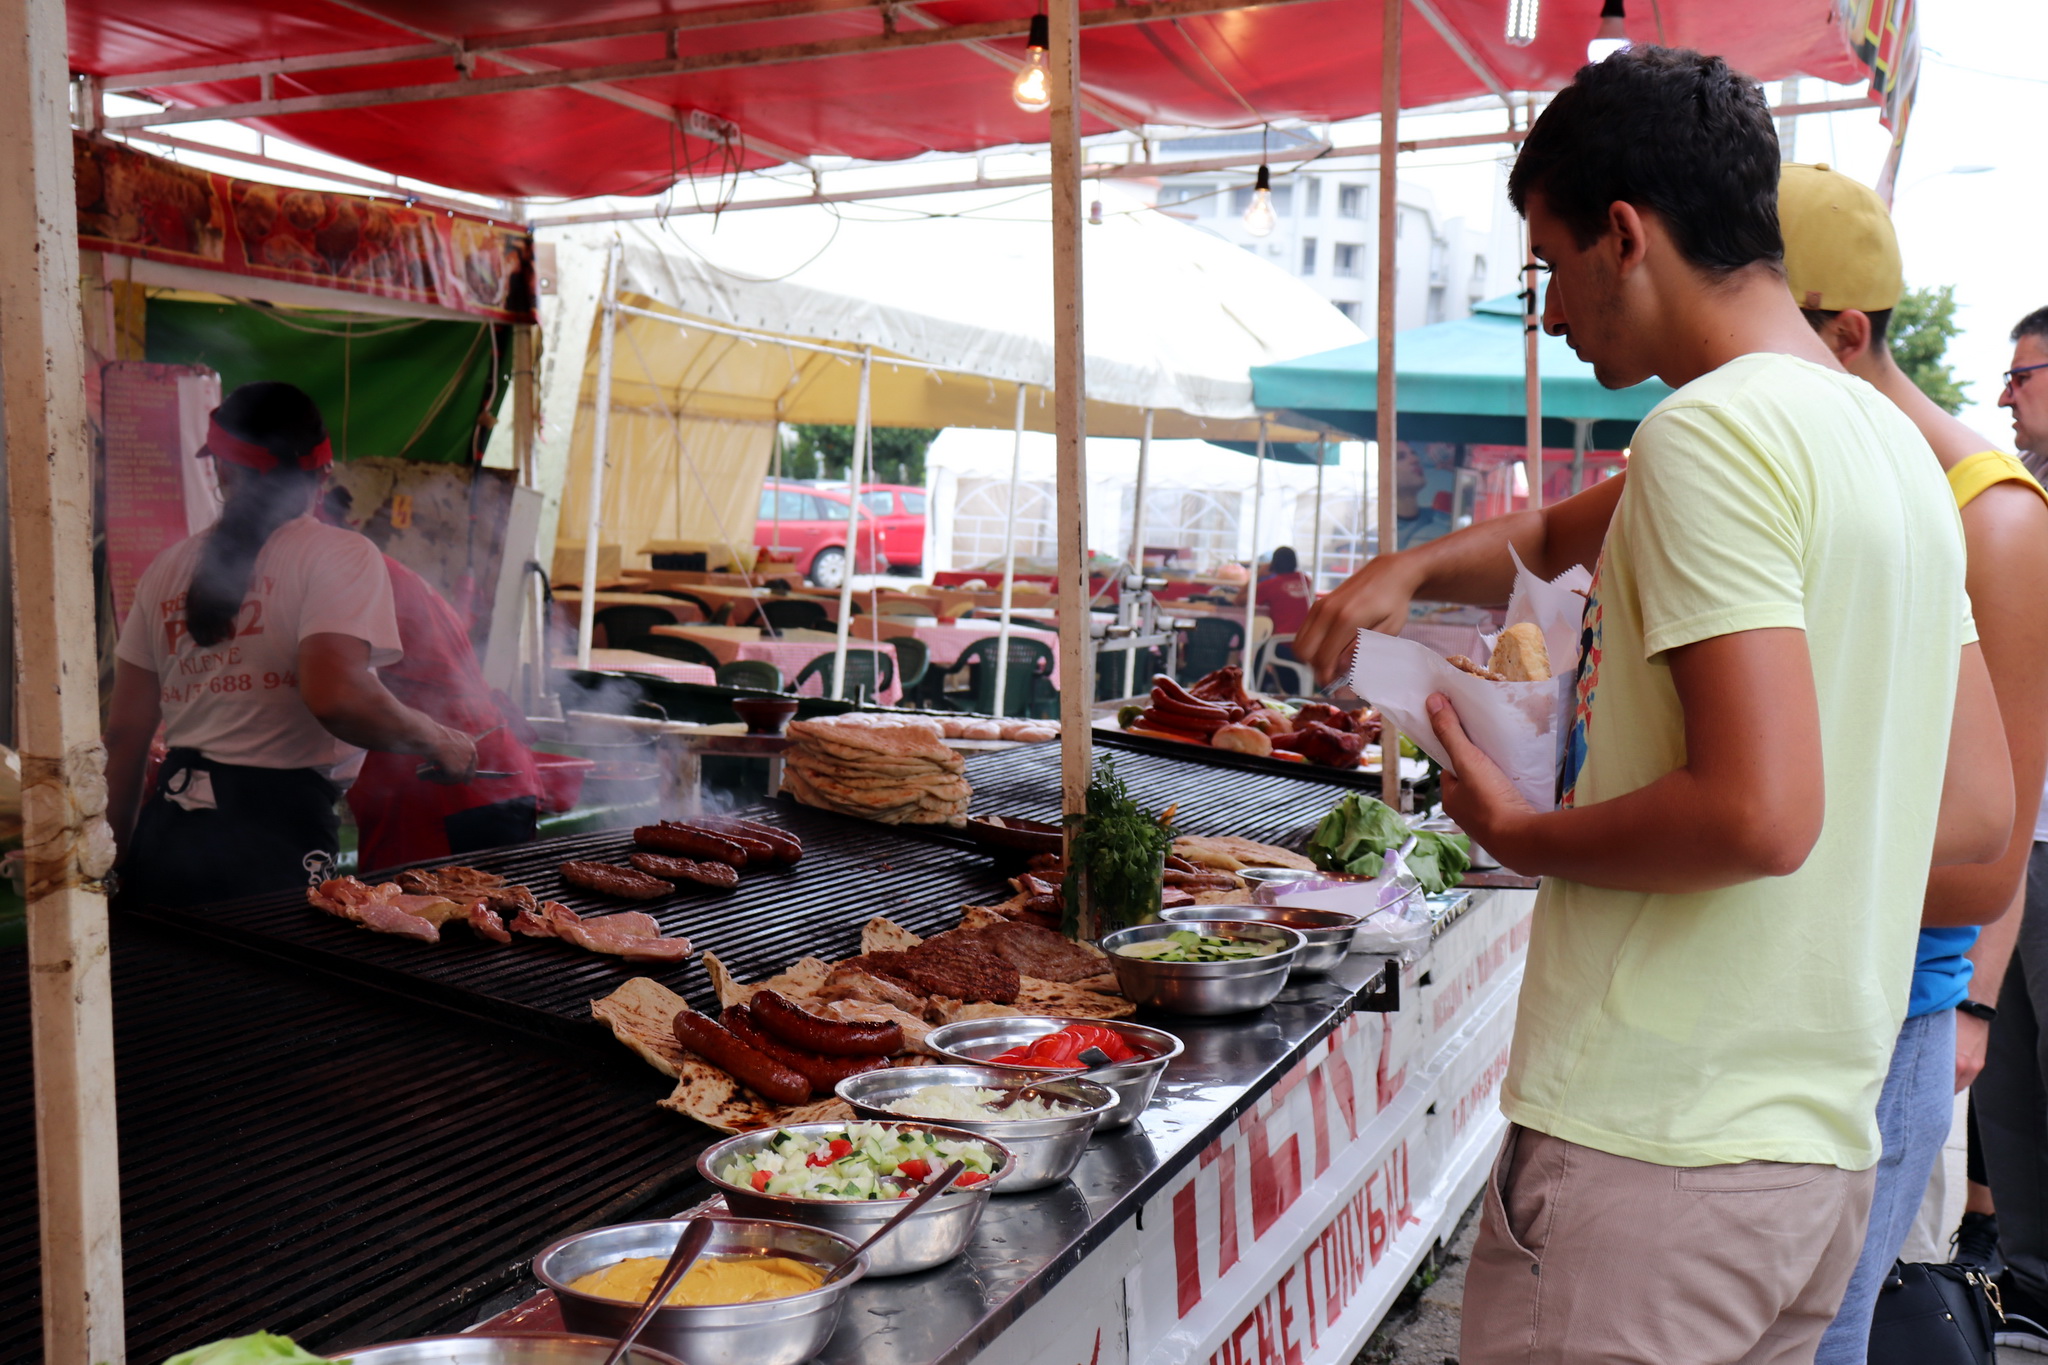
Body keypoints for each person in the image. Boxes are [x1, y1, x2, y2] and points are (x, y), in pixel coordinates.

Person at [1296, 48, 2012, 1364]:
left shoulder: (1708, 437)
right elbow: (1977, 824)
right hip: (1814, 1163)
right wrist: (1412, 567)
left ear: (1626, 237)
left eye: (1548, 266)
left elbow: (1755, 812)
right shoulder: (1902, 458)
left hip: (1651, 1156)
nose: (1551, 316)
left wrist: (1519, 826)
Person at [1778, 164, 2048, 1364]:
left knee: (1832, 1313)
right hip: (1829, 975)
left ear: (1840, 332)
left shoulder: (1989, 513)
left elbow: (2001, 815)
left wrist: (1973, 1002)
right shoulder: (1820, 469)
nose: (2003, 389)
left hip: (1909, 977)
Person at [102, 382, 478, 907]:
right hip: (272, 837)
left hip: (170, 832)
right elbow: (337, 697)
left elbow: (124, 733)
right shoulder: (338, 554)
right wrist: (439, 739)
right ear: (323, 473)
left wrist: (113, 859)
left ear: (222, 472)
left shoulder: (166, 570)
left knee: (168, 986)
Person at [320, 488, 545, 875]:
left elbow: (337, 694)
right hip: (477, 773)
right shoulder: (377, 569)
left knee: (428, 920)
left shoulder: (343, 576)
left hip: (449, 784)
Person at [1971, 303, 2048, 1354]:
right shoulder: (2021, 508)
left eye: (2021, 375)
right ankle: (2029, 1301)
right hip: (2013, 844)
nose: (2002, 396)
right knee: (2010, 1100)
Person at [1235, 546, 1315, 637]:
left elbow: (1238, 601)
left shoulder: (1269, 586)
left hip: (1281, 642)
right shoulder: (1306, 580)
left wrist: (1258, 575)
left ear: (1273, 564)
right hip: (1306, 641)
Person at [1393, 443, 1452, 548]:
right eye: (1400, 457)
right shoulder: (1388, 536)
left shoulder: (1440, 518)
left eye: (1414, 454)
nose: (1415, 460)